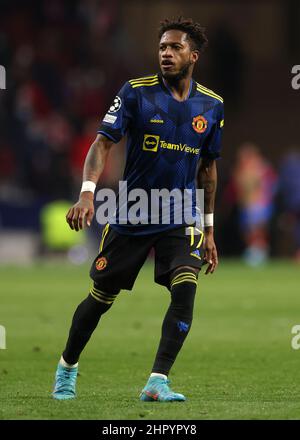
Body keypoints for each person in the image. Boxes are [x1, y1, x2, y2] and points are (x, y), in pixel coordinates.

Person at [52, 17, 224, 402]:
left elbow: (208, 169)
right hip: (133, 210)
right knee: (99, 300)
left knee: (185, 290)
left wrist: (209, 229)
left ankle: (157, 380)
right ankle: (67, 367)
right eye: (162, 46)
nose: (166, 52)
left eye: (175, 47)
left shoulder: (212, 105)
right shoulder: (135, 92)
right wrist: (87, 193)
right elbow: (102, 143)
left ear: (193, 56)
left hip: (180, 214)